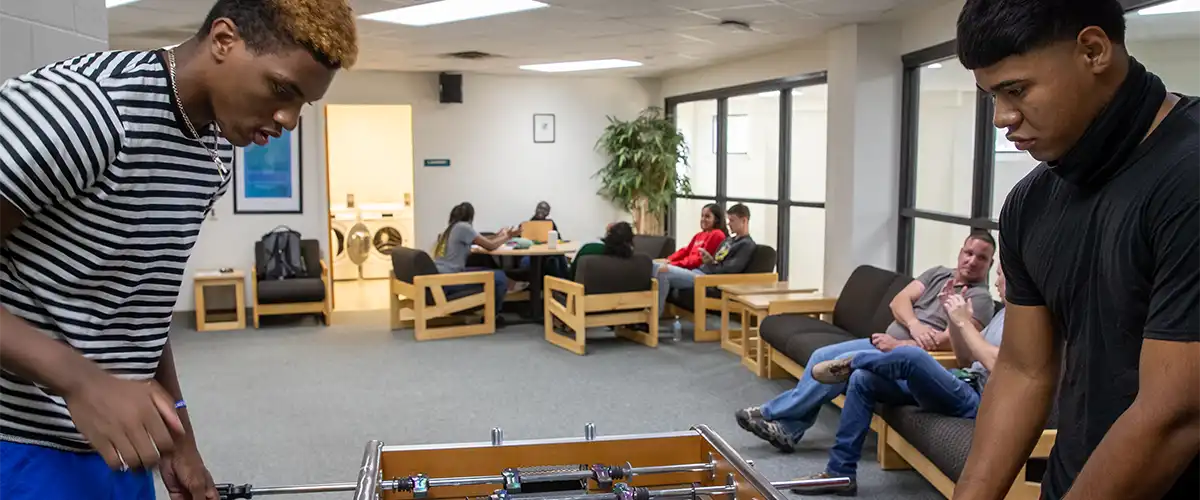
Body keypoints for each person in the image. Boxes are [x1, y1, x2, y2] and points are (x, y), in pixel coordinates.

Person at [0, 1, 357, 498]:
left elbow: (141, 296)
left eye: (303, 104)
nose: (289, 119)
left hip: (118, 438)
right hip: (18, 442)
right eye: (281, 89)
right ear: (224, 40)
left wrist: (178, 436)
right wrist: (80, 381)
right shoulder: (85, 109)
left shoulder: (215, 148)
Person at [951, 1, 1200, 499]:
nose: (1002, 117)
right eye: (990, 96)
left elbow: (1175, 415)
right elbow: (1024, 371)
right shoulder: (1031, 203)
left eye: (1016, 89)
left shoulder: (1189, 174)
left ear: (1093, 50)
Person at [735, 231, 996, 452]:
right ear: (961, 252)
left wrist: (904, 344)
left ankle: (771, 413)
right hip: (883, 344)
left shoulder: (979, 299)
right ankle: (789, 429)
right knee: (821, 357)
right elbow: (899, 301)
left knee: (840, 367)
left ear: (990, 265)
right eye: (969, 253)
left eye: (981, 258)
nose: (972, 261)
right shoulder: (938, 274)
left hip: (907, 360)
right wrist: (916, 326)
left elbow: (954, 343)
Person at [789, 262, 1009, 496]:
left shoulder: (1022, 325)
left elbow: (997, 365)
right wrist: (954, 321)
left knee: (911, 356)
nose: (995, 282)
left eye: (999, 276)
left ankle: (853, 362)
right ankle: (839, 474)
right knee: (863, 380)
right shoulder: (1003, 314)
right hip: (961, 380)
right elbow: (965, 358)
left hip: (976, 400)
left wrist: (965, 322)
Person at [655, 203, 757, 312]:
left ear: (744, 221)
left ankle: (654, 319)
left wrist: (711, 264)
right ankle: (652, 315)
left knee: (662, 271)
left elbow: (730, 269)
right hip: (700, 272)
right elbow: (716, 260)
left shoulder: (746, 245)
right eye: (728, 220)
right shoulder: (729, 241)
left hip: (707, 279)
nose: (729, 224)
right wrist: (709, 260)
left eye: (732, 221)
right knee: (658, 269)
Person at [433, 202, 512, 320]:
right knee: (500, 277)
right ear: (470, 216)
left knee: (489, 271)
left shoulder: (449, 229)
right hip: (450, 278)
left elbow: (480, 239)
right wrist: (508, 236)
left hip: (440, 275)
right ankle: (492, 317)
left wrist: (498, 235)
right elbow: (491, 246)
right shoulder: (464, 227)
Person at [661, 203, 727, 271]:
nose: (703, 219)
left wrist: (674, 264)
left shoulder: (717, 234)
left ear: (716, 219)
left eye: (707, 216)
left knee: (662, 271)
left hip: (698, 271)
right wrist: (669, 259)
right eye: (702, 216)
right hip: (688, 268)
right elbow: (685, 251)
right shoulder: (699, 235)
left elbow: (699, 260)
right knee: (657, 267)